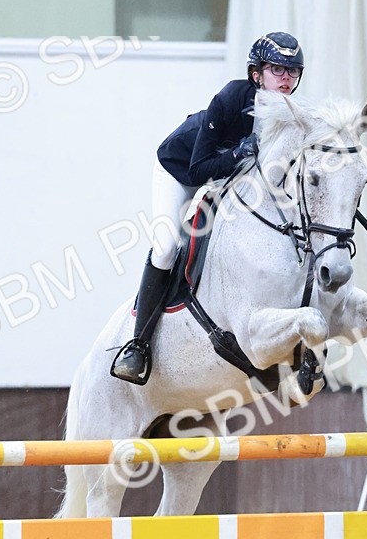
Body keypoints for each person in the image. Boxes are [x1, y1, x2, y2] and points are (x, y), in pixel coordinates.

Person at [111, 31, 305, 385]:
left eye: (292, 72)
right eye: (277, 69)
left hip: (224, 178)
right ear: (256, 74)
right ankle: (137, 345)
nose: (286, 78)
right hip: (180, 169)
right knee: (167, 246)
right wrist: (235, 154)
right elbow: (199, 168)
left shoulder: (291, 114)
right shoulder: (232, 97)